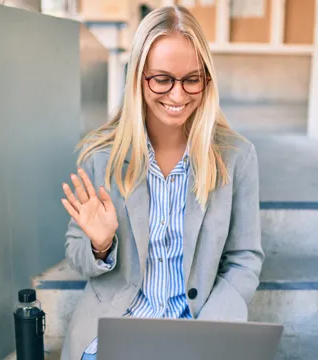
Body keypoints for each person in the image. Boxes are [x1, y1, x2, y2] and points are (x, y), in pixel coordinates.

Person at [59, 5, 264, 360]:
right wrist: (101, 246)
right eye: (162, 79)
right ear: (138, 76)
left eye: (192, 78)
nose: (178, 95)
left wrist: (212, 328)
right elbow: (77, 252)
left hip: (199, 327)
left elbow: (245, 259)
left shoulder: (237, 156)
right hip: (117, 325)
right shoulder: (101, 156)